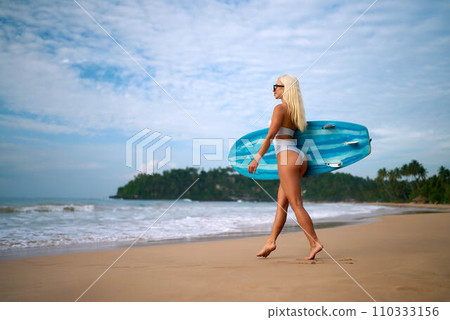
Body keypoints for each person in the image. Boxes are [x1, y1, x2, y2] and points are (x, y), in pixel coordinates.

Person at [248, 74, 323, 260]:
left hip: (286, 159)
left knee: (296, 205)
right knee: (281, 205)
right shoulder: (296, 112)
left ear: (286, 88)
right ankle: (271, 242)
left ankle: (315, 242)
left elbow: (270, 136)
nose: (273, 89)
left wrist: (256, 158)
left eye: (277, 85)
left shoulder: (280, 108)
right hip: (298, 157)